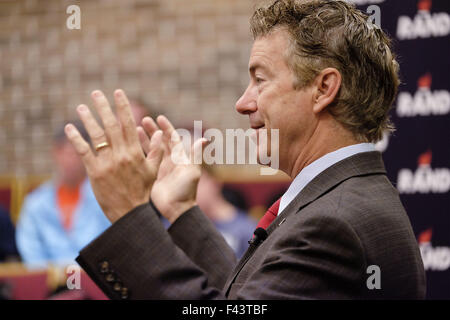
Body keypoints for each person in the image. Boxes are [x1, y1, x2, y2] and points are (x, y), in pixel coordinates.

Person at [65, 0, 425, 299]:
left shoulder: (334, 223)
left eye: (260, 79)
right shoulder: (341, 199)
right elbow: (245, 299)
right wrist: (181, 210)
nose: (242, 102)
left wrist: (129, 214)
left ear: (323, 89)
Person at [15, 122, 111, 268]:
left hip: (96, 282)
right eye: (66, 153)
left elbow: (111, 246)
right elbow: (30, 252)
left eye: (77, 154)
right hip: (49, 285)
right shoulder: (35, 203)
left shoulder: (105, 198)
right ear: (55, 153)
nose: (71, 161)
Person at [196, 166, 256, 258]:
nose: (189, 191)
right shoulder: (178, 225)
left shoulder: (247, 229)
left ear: (214, 182)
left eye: (196, 183)